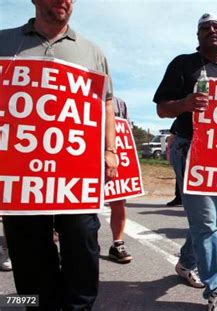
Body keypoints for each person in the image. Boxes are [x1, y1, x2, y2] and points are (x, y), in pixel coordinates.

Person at [0, 0, 118, 309]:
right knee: (28, 252)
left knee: (83, 243)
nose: (63, 1)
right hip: (21, 173)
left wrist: (110, 150)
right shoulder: (4, 41)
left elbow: (106, 104)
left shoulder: (93, 52)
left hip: (75, 172)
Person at [153, 13, 217, 310]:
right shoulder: (183, 64)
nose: (211, 31)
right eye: (205, 28)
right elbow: (162, 109)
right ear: (198, 36)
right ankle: (216, 288)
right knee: (205, 221)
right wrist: (185, 104)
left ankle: (186, 262)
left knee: (210, 220)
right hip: (190, 149)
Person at [108, 96, 133, 264]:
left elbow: (126, 131)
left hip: (112, 156)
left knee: (118, 201)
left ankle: (118, 244)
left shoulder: (119, 103)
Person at [166, 120, 182, 207]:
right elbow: (172, 136)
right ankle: (179, 198)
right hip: (181, 150)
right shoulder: (179, 120)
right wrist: (169, 152)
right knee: (179, 175)